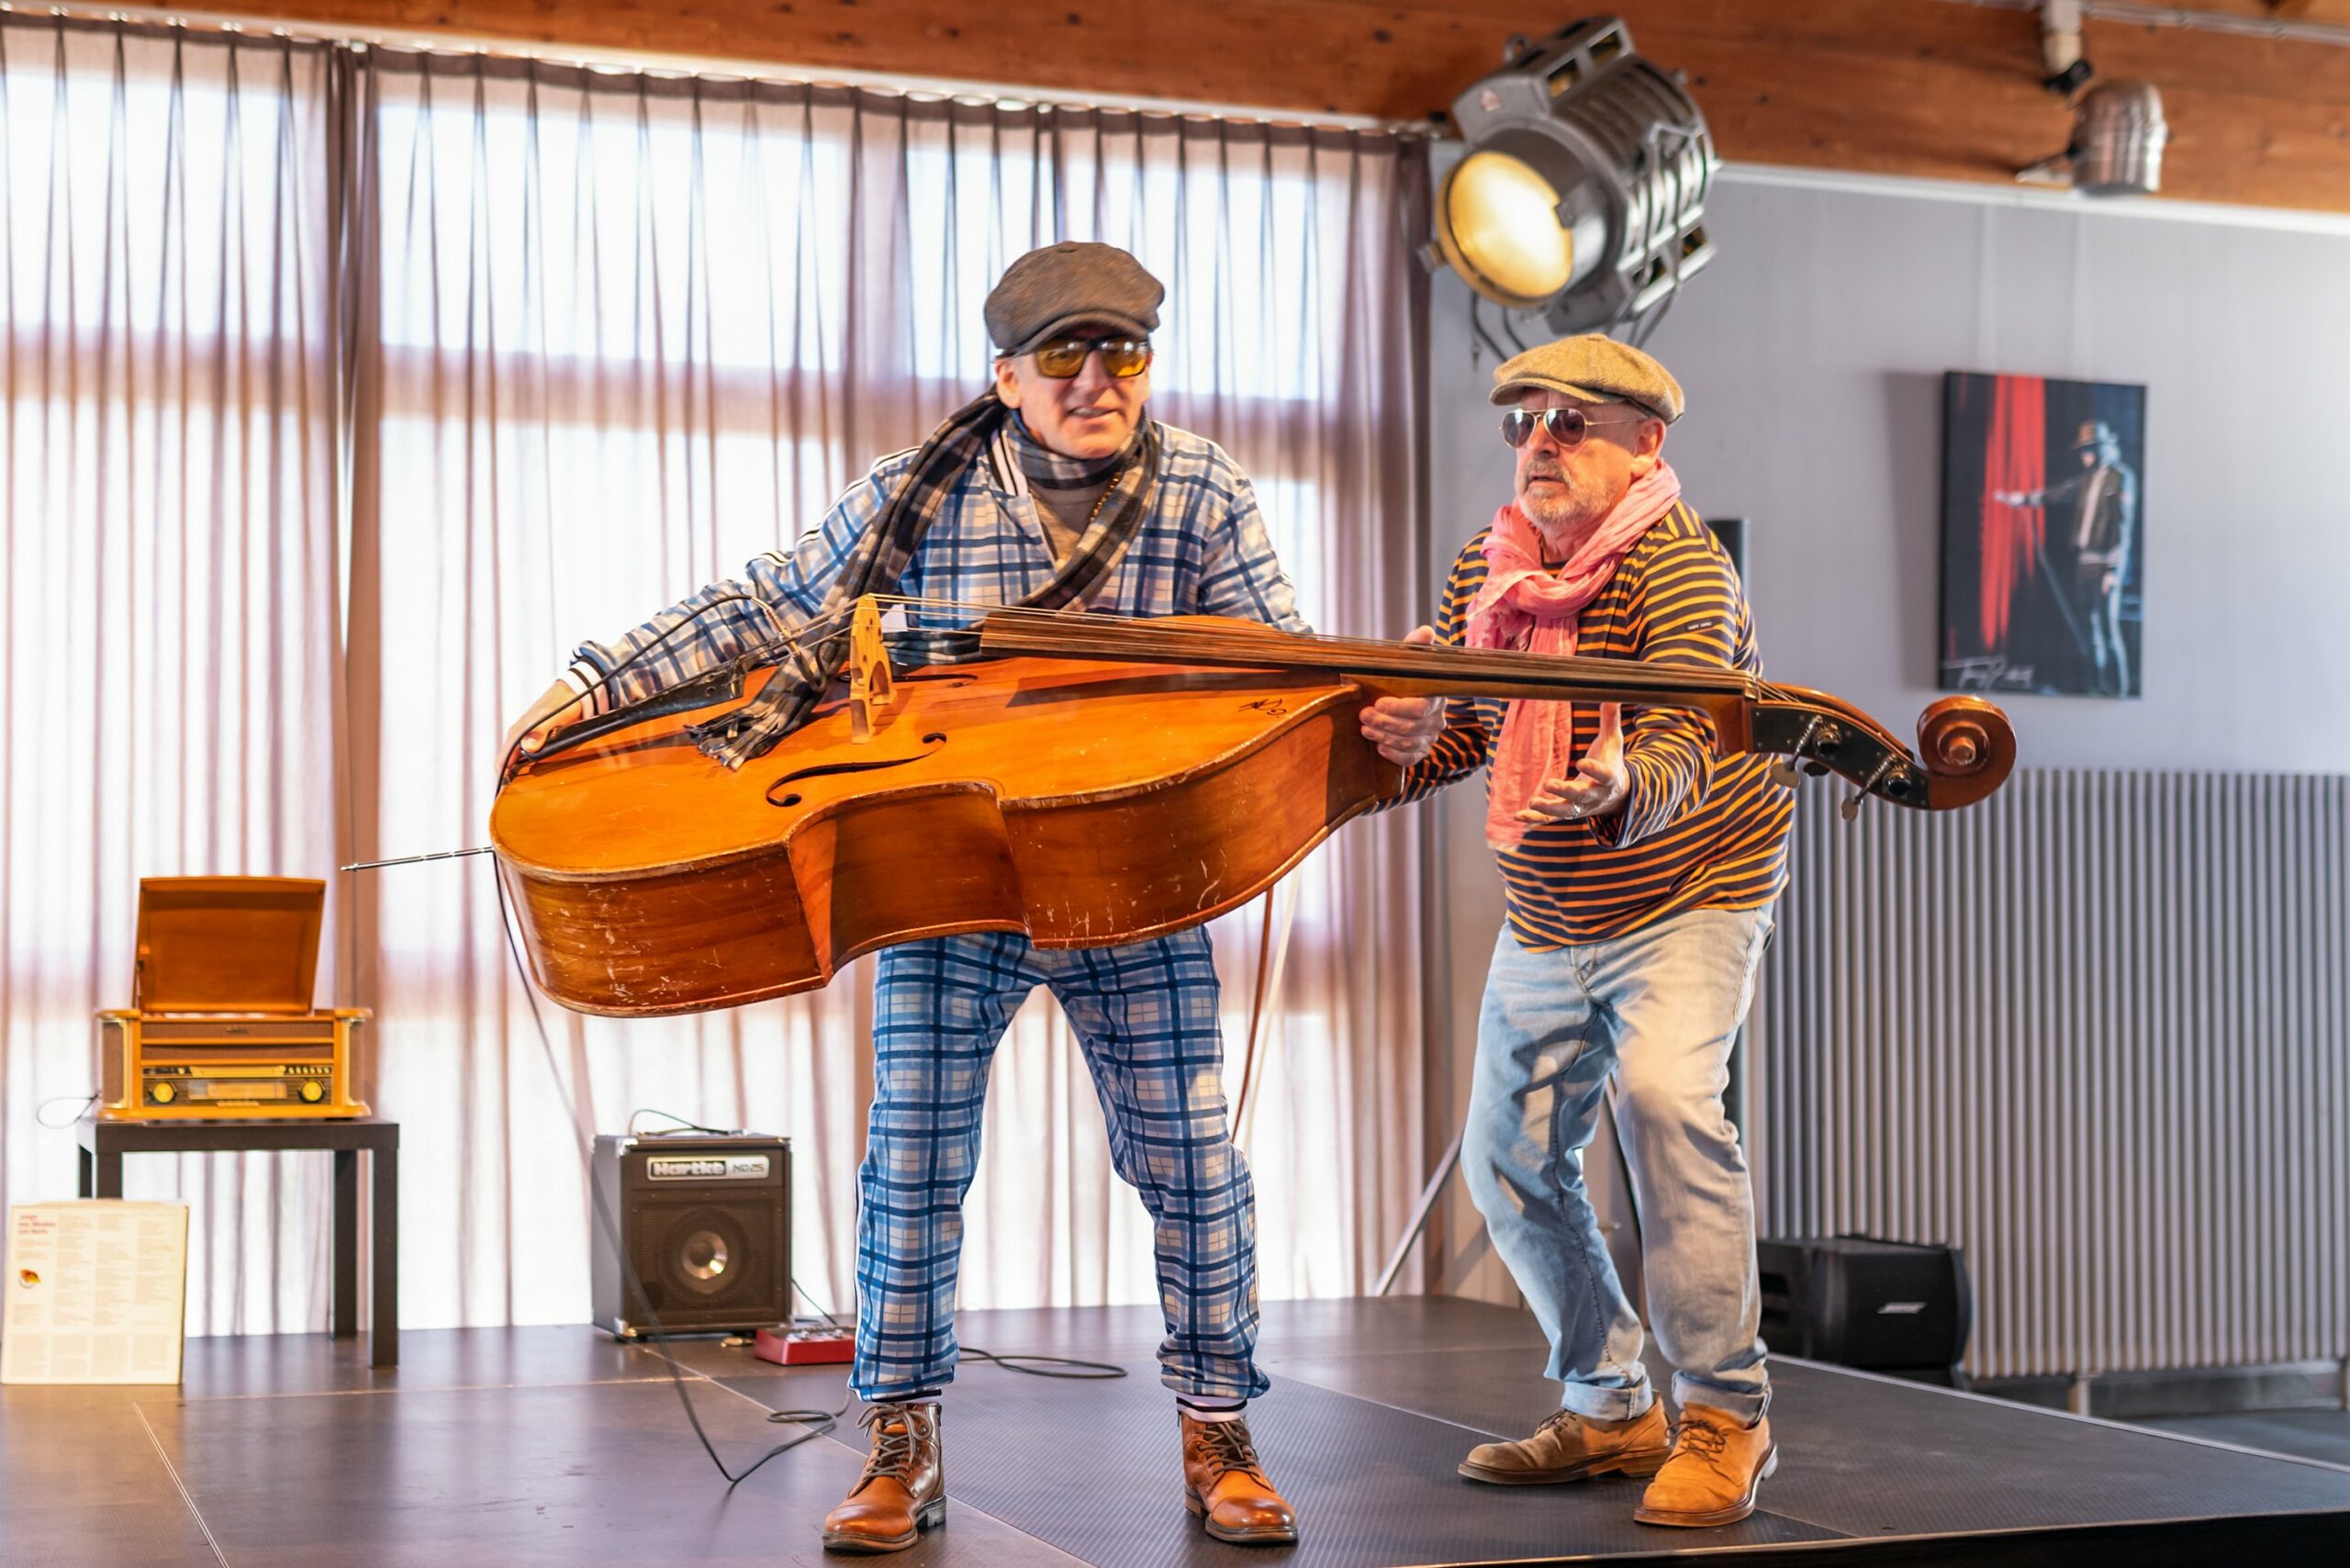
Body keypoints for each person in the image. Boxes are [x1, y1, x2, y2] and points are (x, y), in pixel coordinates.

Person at [500, 241, 1446, 1554]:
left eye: (1124, 351)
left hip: (1132, 879)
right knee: (913, 1165)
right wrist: (589, 683)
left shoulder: (1206, 494)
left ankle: (1219, 1425)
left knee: (1192, 1166)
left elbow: (1274, 673)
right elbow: (766, 604)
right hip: (946, 883)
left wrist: (1376, 719)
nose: (1098, 377)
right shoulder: (914, 496)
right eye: (1065, 353)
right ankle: (899, 1437)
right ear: (1006, 375)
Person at [1399, 335, 1795, 1528]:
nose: (1540, 444)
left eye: (1573, 424)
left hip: (1691, 890)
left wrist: (1625, 786)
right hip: (1554, 903)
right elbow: (1469, 727)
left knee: (1667, 1107)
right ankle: (1612, 1406)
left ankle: (1727, 1415)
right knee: (1504, 1159)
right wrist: (1414, 737)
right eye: (1527, 422)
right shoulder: (1494, 563)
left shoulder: (1680, 571)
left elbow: (1689, 738)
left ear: (1644, 446)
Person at [1995, 418, 2137, 696]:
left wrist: (2113, 570)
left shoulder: (2121, 478)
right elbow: (2058, 493)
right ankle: (2099, 685)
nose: (2084, 455)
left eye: (2088, 449)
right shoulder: (2085, 481)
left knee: (2109, 630)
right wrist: (2021, 499)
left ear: (2101, 449)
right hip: (2085, 562)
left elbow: (2123, 527)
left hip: (2106, 562)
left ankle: (2119, 689)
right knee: (2092, 629)